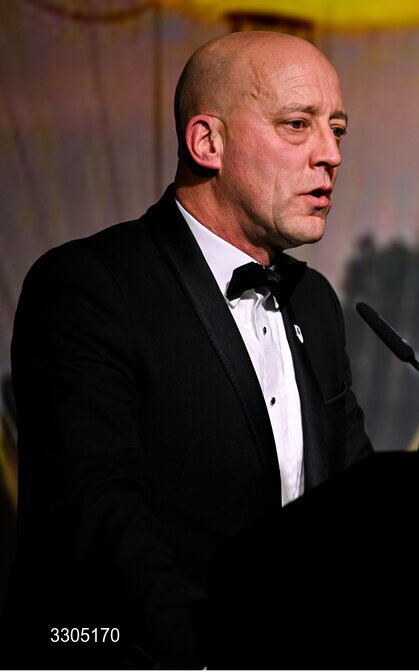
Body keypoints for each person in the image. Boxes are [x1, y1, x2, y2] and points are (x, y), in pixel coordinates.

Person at [2, 31, 372, 668]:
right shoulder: (87, 286)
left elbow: (354, 496)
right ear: (208, 143)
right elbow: (96, 512)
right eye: (296, 125)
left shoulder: (314, 302)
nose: (330, 154)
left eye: (337, 129)